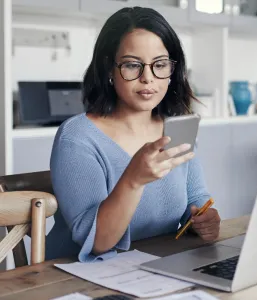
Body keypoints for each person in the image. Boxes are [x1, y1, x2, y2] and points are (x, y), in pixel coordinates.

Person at [47, 6, 221, 262]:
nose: (148, 78)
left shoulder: (176, 128)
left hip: (157, 267)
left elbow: (195, 198)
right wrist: (133, 180)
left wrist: (204, 219)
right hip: (79, 280)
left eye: (160, 65)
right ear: (109, 69)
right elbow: (97, 243)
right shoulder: (77, 137)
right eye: (132, 65)